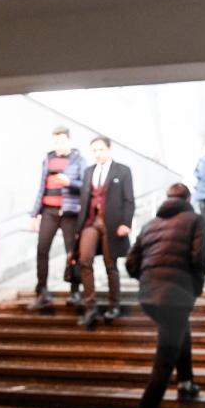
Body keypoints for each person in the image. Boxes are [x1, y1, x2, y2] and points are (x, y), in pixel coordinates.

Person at [124, 183, 205, 408]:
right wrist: (193, 286)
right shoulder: (195, 220)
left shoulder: (151, 223)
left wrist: (150, 281)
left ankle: (186, 384)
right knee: (164, 360)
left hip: (150, 296)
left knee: (180, 331)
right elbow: (200, 257)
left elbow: (131, 263)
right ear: (188, 198)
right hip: (176, 295)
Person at [76, 136, 135, 329]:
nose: (97, 153)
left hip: (112, 224)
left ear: (109, 149)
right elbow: (84, 200)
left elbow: (129, 200)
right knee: (84, 260)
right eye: (94, 150)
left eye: (101, 149)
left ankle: (114, 305)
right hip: (91, 222)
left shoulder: (123, 170)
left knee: (110, 265)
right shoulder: (88, 171)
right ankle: (90, 306)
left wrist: (125, 223)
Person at [29, 126, 88, 311]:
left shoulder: (79, 160)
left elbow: (85, 186)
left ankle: (75, 291)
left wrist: (69, 182)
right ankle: (42, 292)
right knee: (42, 250)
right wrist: (35, 214)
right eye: (55, 141)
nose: (58, 145)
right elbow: (42, 187)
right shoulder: (48, 159)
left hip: (69, 213)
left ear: (69, 140)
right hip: (48, 211)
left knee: (72, 253)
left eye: (61, 141)